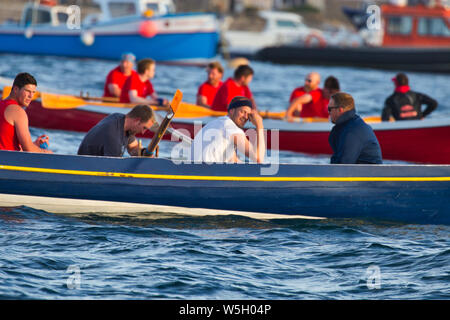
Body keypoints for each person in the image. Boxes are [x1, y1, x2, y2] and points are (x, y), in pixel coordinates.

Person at [191, 96, 265, 163]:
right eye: (242, 112)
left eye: (248, 114)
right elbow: (258, 158)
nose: (246, 117)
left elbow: (234, 160)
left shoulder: (219, 123)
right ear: (231, 111)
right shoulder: (231, 128)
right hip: (206, 173)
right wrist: (259, 125)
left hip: (194, 169)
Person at [0, 72, 52, 153]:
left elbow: (5, 143)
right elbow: (28, 150)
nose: (31, 96)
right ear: (16, 89)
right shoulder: (18, 111)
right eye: (28, 91)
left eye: (33, 92)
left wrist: (34, 144)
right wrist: (47, 153)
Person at [77, 104, 156, 157]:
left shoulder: (121, 119)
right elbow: (114, 167)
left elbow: (133, 148)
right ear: (137, 120)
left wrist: (144, 152)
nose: (143, 132)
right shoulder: (113, 133)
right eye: (144, 128)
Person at [328, 92, 382, 164]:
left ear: (340, 110)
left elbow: (342, 166)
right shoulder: (351, 124)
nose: (328, 112)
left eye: (330, 109)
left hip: (369, 174)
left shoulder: (352, 131)